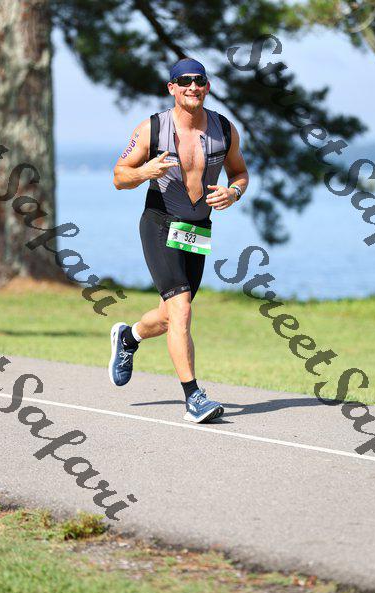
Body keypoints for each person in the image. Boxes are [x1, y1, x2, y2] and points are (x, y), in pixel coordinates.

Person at [110, 57, 249, 423]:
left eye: (199, 81)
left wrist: (234, 192)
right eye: (184, 81)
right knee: (182, 309)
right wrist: (145, 171)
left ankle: (129, 337)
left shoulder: (224, 129)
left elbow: (240, 173)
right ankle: (194, 398)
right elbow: (119, 177)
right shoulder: (152, 129)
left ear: (207, 87)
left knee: (170, 316)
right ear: (172, 88)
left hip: (197, 228)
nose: (193, 87)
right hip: (159, 222)